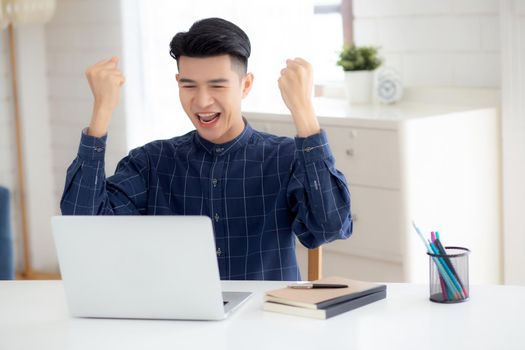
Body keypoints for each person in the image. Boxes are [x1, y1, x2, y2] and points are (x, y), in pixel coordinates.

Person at [60, 17, 352, 281]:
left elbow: (329, 227)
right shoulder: (151, 161)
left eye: (217, 86)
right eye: (189, 86)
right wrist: (101, 112)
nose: (202, 102)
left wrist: (304, 113)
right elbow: (85, 229)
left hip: (264, 325)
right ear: (178, 83)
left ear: (246, 85)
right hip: (178, 325)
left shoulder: (284, 157)